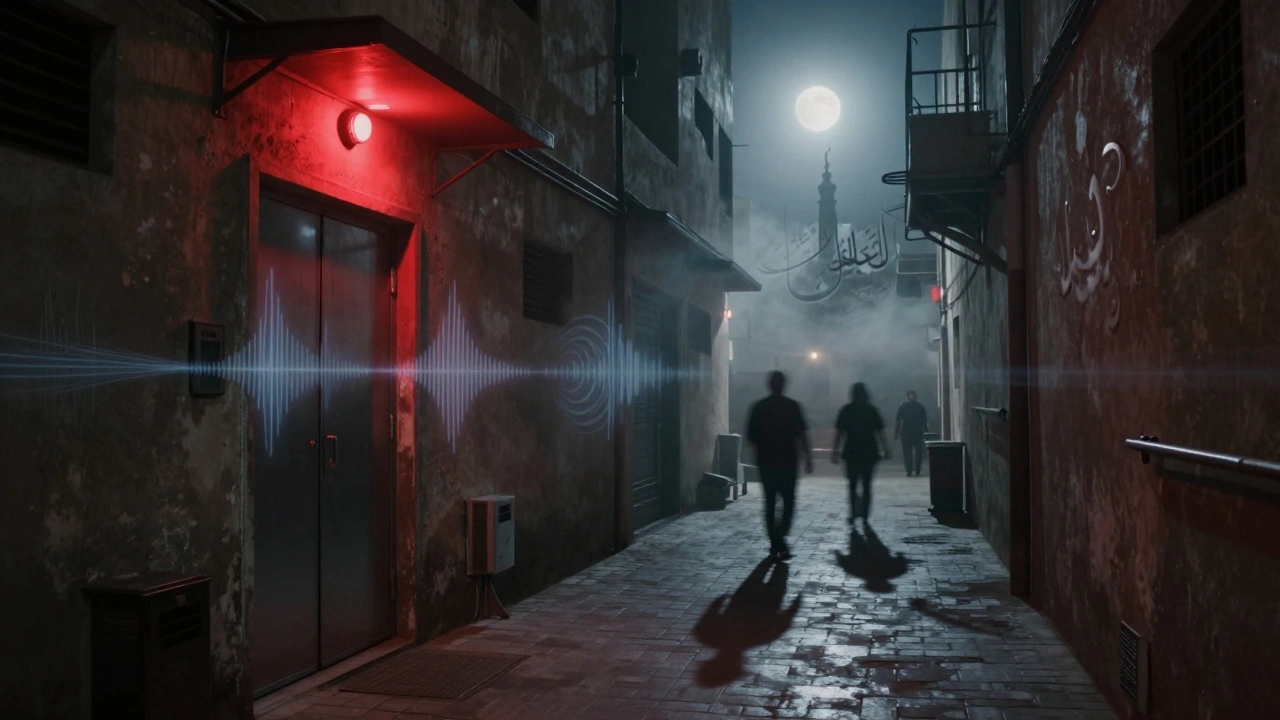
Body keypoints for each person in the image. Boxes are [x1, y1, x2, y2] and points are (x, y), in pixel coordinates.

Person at [745, 371, 814, 561]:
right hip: (788, 460)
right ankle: (780, 537)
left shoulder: (759, 407)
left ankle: (775, 541)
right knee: (788, 501)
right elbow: (802, 434)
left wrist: (765, 444)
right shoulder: (792, 406)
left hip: (767, 461)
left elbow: (751, 435)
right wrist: (808, 458)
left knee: (769, 502)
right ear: (784, 385)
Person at [832, 383, 891, 526]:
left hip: (851, 452)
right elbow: (880, 432)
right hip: (869, 452)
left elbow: (840, 433)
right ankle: (864, 515)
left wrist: (835, 451)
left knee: (852, 485)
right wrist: (886, 449)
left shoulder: (847, 410)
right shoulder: (871, 410)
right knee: (866, 485)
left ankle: (853, 513)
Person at [894, 390, 929, 476]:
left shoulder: (903, 406)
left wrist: (896, 432)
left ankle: (909, 470)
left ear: (907, 397)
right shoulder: (920, 407)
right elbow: (925, 421)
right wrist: (926, 431)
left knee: (907, 452)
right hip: (917, 432)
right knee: (918, 452)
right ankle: (917, 470)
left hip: (906, 432)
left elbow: (898, 420)